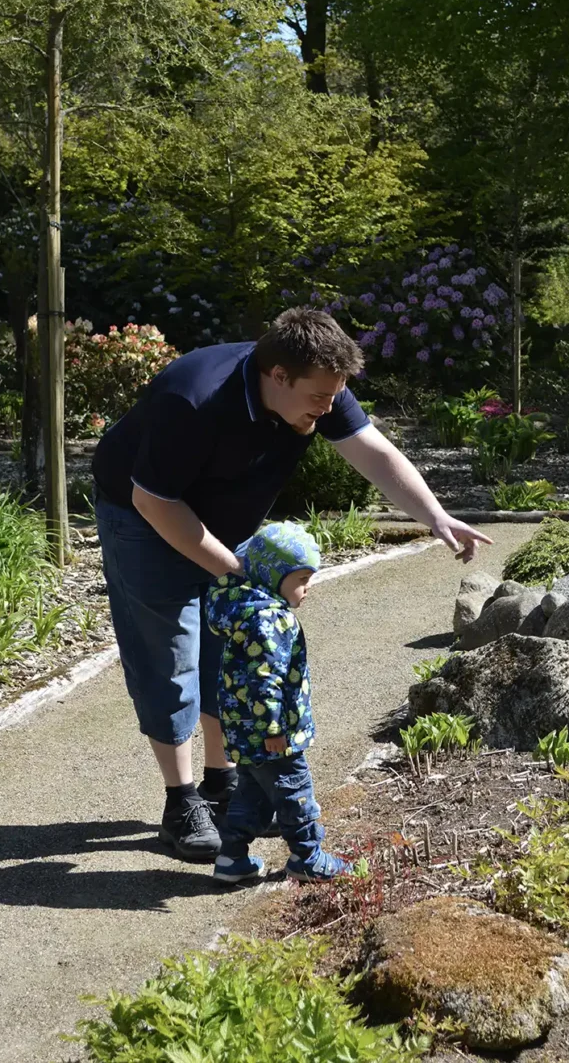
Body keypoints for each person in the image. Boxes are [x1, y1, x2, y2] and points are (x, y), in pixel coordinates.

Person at [92, 307, 491, 861]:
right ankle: (180, 803)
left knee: (228, 647)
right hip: (142, 517)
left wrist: (436, 516)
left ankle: (222, 784)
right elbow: (153, 500)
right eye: (320, 398)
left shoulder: (315, 381)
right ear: (278, 376)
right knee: (169, 655)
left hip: (224, 523)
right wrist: (233, 567)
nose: (328, 409)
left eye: (335, 397)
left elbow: (372, 452)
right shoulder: (194, 400)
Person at [207, 520, 349, 884]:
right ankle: (307, 857)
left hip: (243, 731)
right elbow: (265, 679)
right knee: (294, 791)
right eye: (301, 579)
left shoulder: (246, 609)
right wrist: (273, 727)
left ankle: (231, 859)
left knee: (251, 796)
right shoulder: (270, 620)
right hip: (272, 734)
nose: (308, 588)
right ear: (272, 576)